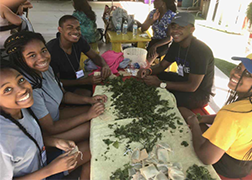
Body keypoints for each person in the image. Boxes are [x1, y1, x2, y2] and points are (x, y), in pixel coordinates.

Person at [4, 31, 106, 144]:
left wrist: (89, 100)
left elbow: (64, 95)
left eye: (43, 51)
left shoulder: (46, 69)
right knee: (93, 127)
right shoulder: (28, 88)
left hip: (57, 115)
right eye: (32, 55)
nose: (42, 58)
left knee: (101, 113)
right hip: (47, 134)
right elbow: (50, 128)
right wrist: (87, 115)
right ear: (20, 60)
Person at [0, 61, 91, 179]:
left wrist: (54, 141)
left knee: (94, 147)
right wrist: (51, 170)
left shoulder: (21, 109)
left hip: (44, 164)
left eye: (21, 80)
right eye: (7, 89)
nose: (22, 90)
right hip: (44, 172)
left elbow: (28, 139)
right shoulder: (2, 139)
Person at [179, 54, 252, 178]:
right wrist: (202, 118)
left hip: (226, 166)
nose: (235, 73)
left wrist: (194, 123)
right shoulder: (245, 105)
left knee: (184, 115)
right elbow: (236, 124)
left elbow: (207, 158)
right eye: (239, 68)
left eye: (248, 74)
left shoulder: (233, 114)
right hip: (245, 165)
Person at [138, 12, 214, 109]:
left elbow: (192, 86)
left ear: (192, 29)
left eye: (181, 27)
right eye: (173, 27)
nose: (175, 31)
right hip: (183, 81)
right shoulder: (176, 44)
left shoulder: (200, 51)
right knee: (152, 77)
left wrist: (160, 84)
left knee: (161, 99)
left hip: (199, 93)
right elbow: (162, 66)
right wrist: (148, 70)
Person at [47, 15, 111, 96]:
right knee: (90, 94)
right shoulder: (51, 50)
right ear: (60, 29)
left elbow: (94, 56)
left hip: (77, 77)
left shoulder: (79, 40)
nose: (75, 31)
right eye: (70, 28)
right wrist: (84, 81)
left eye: (78, 28)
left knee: (104, 86)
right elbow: (56, 82)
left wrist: (104, 65)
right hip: (60, 87)